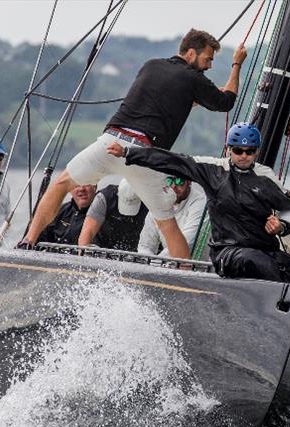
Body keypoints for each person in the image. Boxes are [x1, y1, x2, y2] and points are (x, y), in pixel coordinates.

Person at [19, 29, 248, 259]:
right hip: (143, 156)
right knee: (167, 224)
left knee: (61, 184)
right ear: (190, 53)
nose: (209, 66)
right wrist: (236, 64)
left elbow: (164, 99)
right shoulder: (193, 78)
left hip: (111, 142)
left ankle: (28, 242)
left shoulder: (151, 65)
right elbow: (226, 101)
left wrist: (194, 98)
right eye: (207, 59)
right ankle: (184, 272)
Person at [107, 123, 290, 296]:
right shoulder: (213, 171)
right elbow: (173, 161)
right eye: (238, 150)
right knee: (256, 261)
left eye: (250, 151)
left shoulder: (266, 177)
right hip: (228, 253)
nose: (244, 156)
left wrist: (281, 227)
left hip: (265, 251)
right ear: (229, 149)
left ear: (256, 152)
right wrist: (129, 152)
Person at [137, 176, 207, 256]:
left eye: (179, 181)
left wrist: (155, 264)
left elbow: (187, 243)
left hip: (198, 266)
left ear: (189, 182)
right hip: (167, 265)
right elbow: (145, 246)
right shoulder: (158, 203)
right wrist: (147, 264)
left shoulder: (201, 203)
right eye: (169, 181)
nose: (173, 186)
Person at [78, 181, 149, 251]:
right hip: (103, 248)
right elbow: (87, 234)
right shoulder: (104, 198)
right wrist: (83, 257)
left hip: (137, 251)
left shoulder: (151, 203)